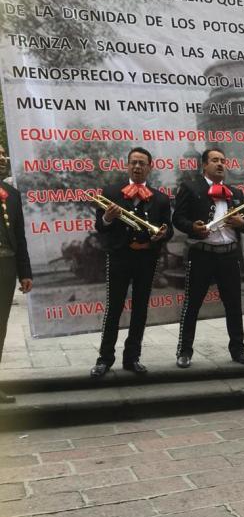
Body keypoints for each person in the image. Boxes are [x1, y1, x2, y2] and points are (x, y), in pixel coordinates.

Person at [90, 147, 173, 378]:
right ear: (127, 165)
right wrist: (108, 216)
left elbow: (169, 229)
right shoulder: (111, 192)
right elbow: (100, 226)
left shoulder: (161, 198)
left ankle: (132, 358)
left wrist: (162, 235)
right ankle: (104, 359)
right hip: (120, 258)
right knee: (114, 308)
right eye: (133, 162)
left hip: (146, 259)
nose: (137, 167)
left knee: (140, 310)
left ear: (149, 167)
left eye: (142, 163)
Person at [172, 148, 244, 369]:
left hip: (229, 255)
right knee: (192, 305)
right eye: (215, 160)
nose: (220, 164)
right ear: (204, 165)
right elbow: (178, 218)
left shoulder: (235, 192)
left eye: (223, 161)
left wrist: (241, 224)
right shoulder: (190, 187)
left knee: (234, 305)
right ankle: (184, 351)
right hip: (202, 255)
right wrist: (193, 227)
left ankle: (238, 349)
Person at [0, 146, 32, 403]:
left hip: (6, 266)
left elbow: (19, 237)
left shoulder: (11, 193)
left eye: (3, 154)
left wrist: (25, 272)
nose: (2, 158)